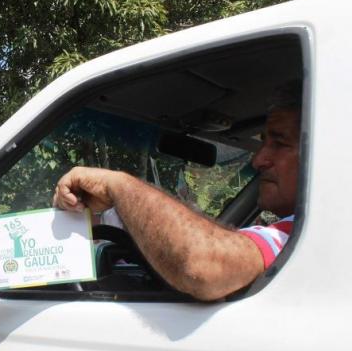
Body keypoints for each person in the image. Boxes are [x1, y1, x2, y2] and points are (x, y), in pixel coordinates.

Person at [53, 81, 301, 301]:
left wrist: (117, 185)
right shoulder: (299, 235)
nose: (258, 160)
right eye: (263, 143)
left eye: (280, 143)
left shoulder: (298, 235)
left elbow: (204, 268)